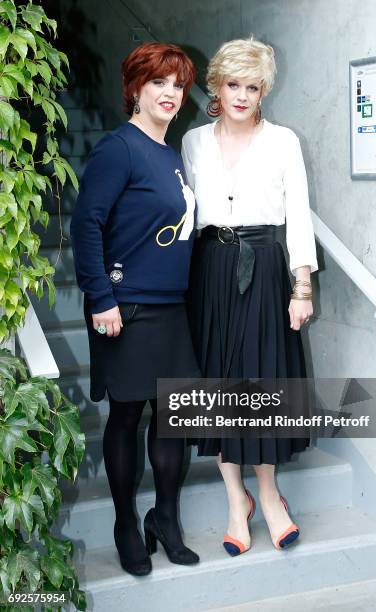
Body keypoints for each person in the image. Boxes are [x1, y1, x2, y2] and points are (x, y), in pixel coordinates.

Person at [181, 37, 318, 556]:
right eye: (233, 84)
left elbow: (299, 217)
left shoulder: (283, 141)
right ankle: (235, 498)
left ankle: (269, 493)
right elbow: (181, 216)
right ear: (215, 86)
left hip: (263, 268)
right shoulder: (192, 142)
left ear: (264, 91)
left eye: (253, 86)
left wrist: (301, 287)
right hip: (209, 270)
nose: (242, 95)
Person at [70, 42, 201, 576]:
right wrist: (101, 297)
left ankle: (164, 519)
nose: (170, 93)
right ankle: (126, 522)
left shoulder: (171, 156)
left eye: (177, 84)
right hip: (124, 306)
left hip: (171, 307)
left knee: (172, 420)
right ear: (135, 88)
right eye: (159, 83)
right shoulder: (118, 149)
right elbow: (85, 225)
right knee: (126, 416)